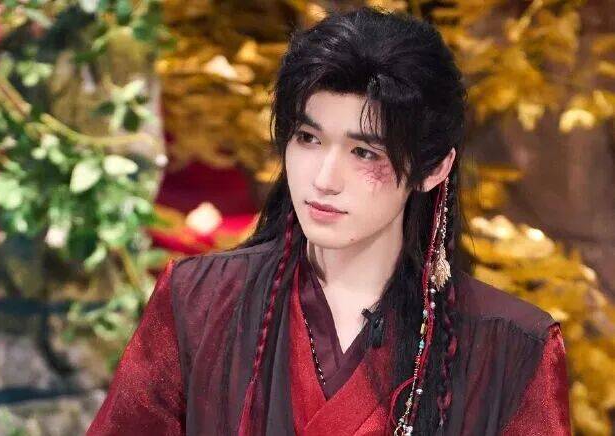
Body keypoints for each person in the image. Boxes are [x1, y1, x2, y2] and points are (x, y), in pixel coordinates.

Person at [86, 7, 571, 436]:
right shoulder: (199, 301)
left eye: (364, 152)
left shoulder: (511, 347)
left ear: (433, 168)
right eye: (308, 138)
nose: (323, 179)